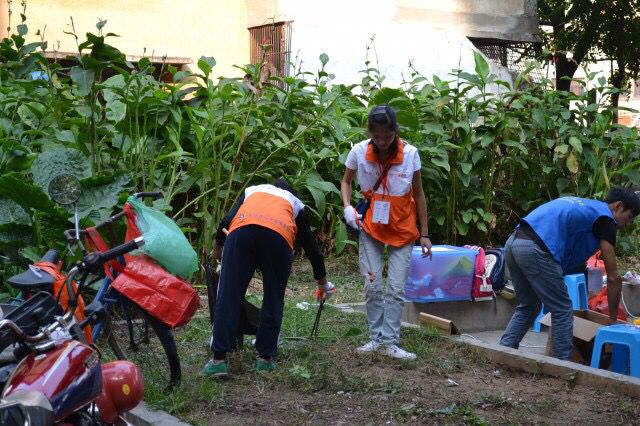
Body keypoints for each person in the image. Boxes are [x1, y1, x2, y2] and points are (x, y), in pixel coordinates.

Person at [201, 178, 335, 377]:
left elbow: (226, 222)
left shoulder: (253, 190)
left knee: (229, 294)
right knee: (273, 296)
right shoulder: (292, 202)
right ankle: (264, 359)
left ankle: (218, 360)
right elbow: (311, 248)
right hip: (278, 237)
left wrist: (219, 248)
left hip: (242, 232)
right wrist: (322, 283)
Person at [499, 189, 640, 360]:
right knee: (563, 310)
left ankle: (503, 354)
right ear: (618, 206)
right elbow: (613, 277)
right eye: (629, 217)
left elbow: (574, 258)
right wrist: (612, 319)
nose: (628, 224)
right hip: (534, 249)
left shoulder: (590, 208)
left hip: (514, 243)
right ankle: (562, 367)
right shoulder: (606, 219)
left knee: (529, 305)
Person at [341, 105, 431, 360]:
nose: (381, 142)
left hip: (402, 229)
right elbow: (346, 181)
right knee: (372, 285)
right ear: (370, 133)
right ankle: (375, 338)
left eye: (387, 136)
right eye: (376, 136)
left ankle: (390, 342)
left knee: (395, 288)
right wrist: (348, 207)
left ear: (395, 132)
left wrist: (424, 233)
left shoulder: (411, 154)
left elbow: (419, 193)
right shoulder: (358, 151)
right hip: (370, 227)